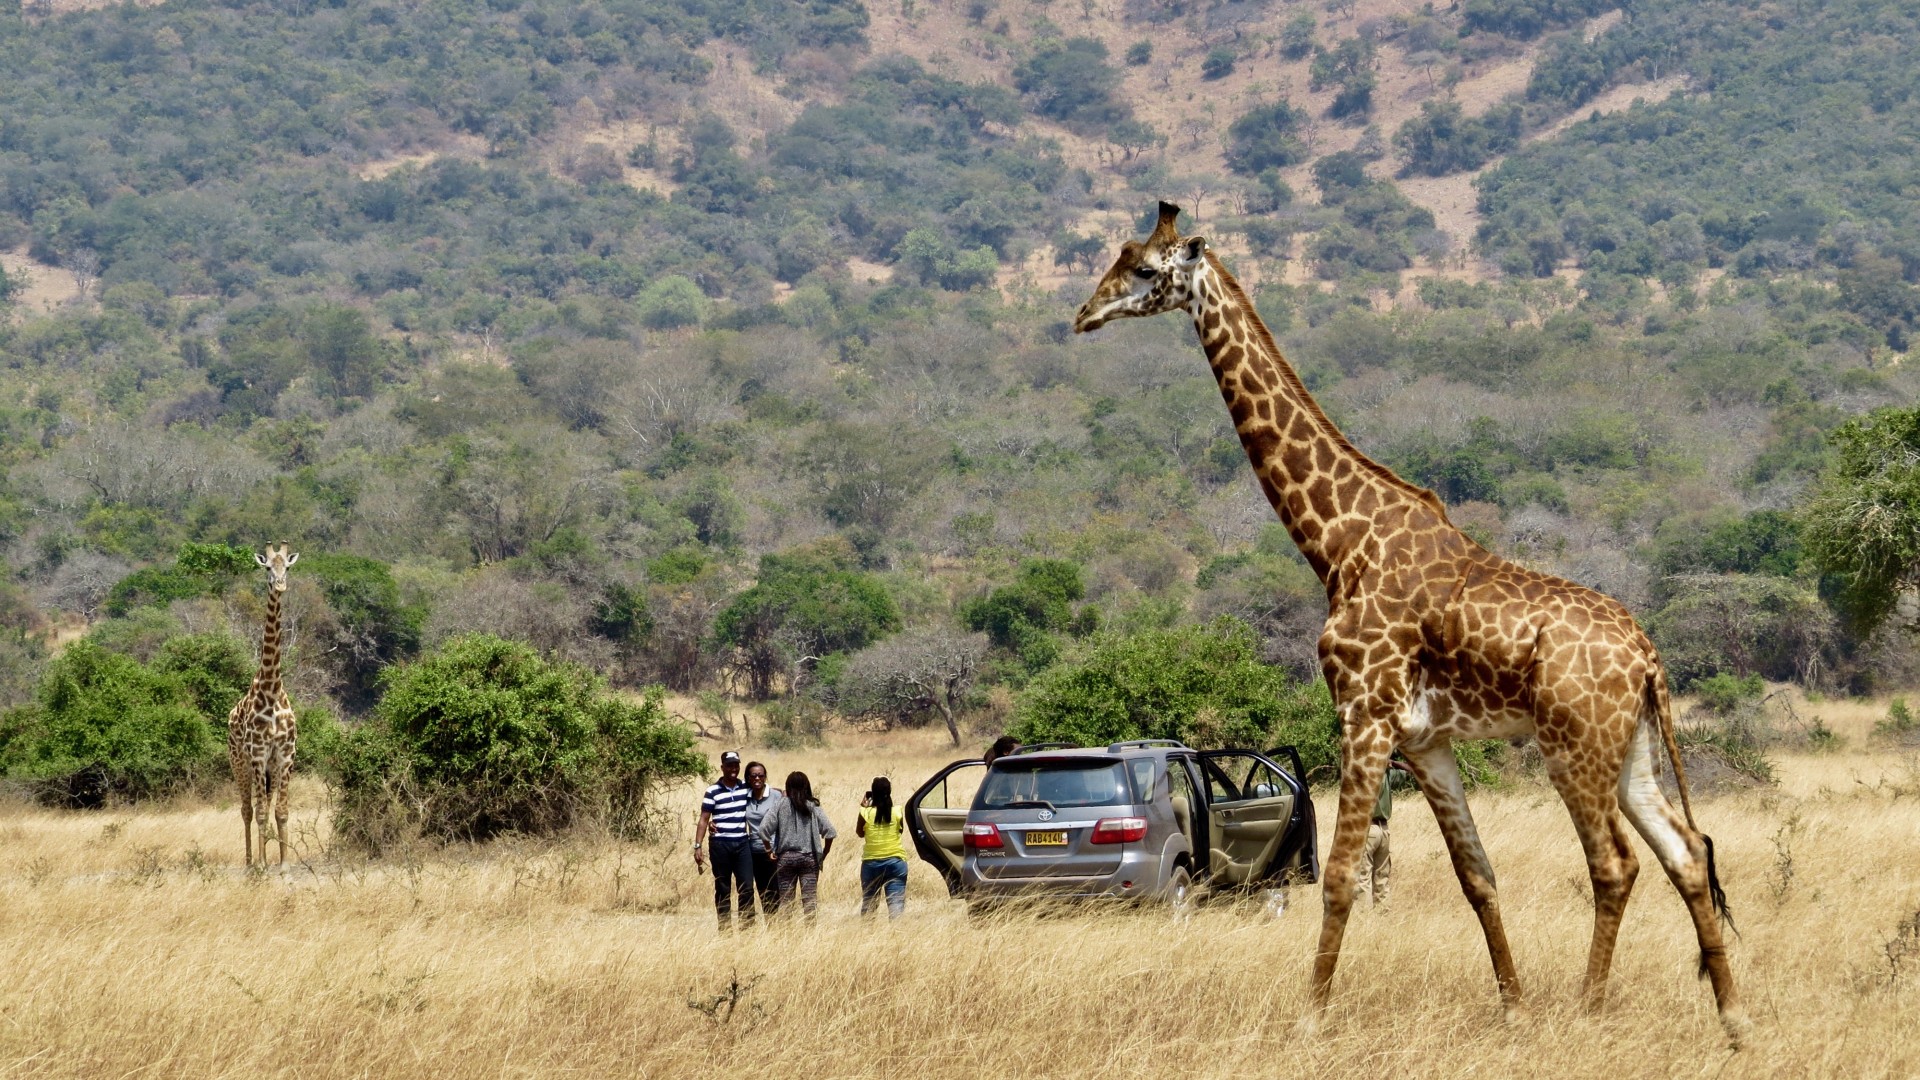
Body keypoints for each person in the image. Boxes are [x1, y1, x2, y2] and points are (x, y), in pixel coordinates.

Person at [758, 770, 835, 920]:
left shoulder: (780, 804)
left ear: (788, 786)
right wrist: (824, 852)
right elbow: (830, 831)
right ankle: (811, 936)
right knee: (810, 902)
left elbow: (763, 829)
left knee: (786, 903)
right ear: (806, 786)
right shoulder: (812, 806)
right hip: (809, 859)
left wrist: (768, 849)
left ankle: (787, 935)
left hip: (785, 859)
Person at [693, 750, 755, 930]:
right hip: (720, 844)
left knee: (747, 888)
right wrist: (698, 846)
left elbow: (765, 790)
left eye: (736, 765)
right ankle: (725, 929)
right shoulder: (712, 791)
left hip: (743, 842)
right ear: (722, 768)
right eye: (729, 765)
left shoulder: (746, 787)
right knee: (723, 887)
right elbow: (704, 819)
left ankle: (747, 928)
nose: (733, 769)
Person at [1357, 758, 1411, 907]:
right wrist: (1393, 762)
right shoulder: (1386, 773)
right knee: (1382, 876)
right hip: (1384, 830)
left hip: (1367, 829)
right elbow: (1411, 769)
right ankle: (1383, 914)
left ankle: (1363, 919)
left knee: (1362, 878)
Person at [855, 776, 909, 920]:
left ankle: (867, 936)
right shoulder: (897, 811)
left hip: (871, 863)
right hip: (896, 862)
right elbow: (900, 831)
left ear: (872, 793)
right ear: (889, 792)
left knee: (869, 905)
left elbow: (860, 833)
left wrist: (864, 807)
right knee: (896, 905)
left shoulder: (865, 813)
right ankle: (896, 937)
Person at [743, 761, 784, 917]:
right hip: (753, 850)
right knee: (761, 891)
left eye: (761, 775)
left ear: (765, 777)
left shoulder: (776, 795)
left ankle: (777, 927)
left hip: (773, 851)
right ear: (748, 777)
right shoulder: (745, 796)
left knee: (774, 891)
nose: (757, 778)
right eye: (753, 775)